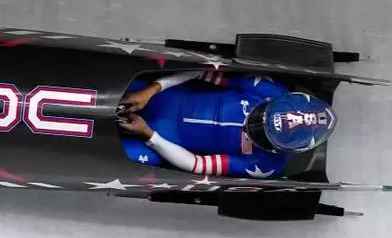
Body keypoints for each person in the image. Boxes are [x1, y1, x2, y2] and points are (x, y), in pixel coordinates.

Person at [117, 69, 337, 178]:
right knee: (121, 82)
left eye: (262, 133)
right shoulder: (267, 88)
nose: (253, 125)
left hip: (163, 140)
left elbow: (197, 164)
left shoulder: (265, 164)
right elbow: (202, 71)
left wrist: (149, 136)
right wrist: (151, 90)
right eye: (261, 116)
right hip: (166, 95)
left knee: (121, 158)